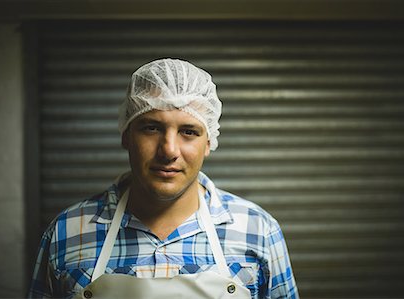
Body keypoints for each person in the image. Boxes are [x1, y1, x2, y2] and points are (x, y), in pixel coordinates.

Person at [28, 58, 299, 299]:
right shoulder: (66, 232)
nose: (169, 150)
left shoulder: (258, 230)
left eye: (189, 131)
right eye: (152, 128)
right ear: (126, 135)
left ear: (209, 143)